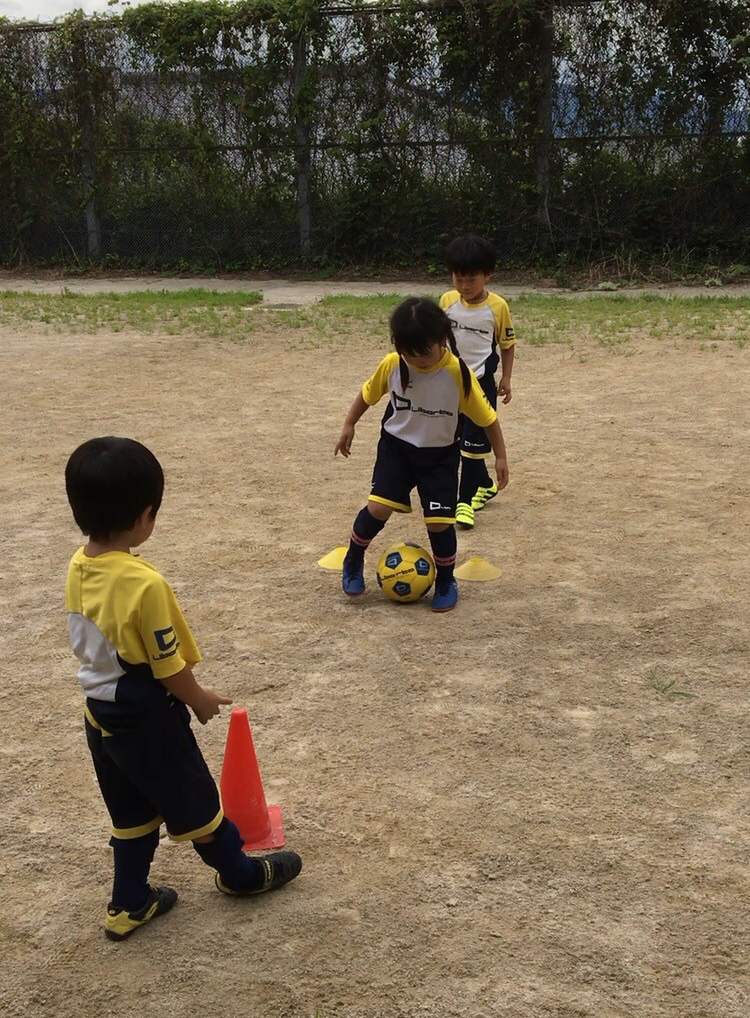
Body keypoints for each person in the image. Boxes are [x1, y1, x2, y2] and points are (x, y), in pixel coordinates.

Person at [64, 436, 302, 941]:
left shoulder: (78, 565)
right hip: (146, 717)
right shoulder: (144, 584)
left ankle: (128, 904)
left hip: (99, 714)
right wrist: (199, 699)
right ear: (145, 515)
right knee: (197, 803)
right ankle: (240, 874)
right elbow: (165, 663)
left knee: (130, 814)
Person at [334, 297, 509, 612]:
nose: (418, 361)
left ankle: (445, 580)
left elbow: (488, 419)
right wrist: (349, 424)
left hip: (439, 456)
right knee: (378, 508)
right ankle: (353, 558)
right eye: (409, 354)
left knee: (440, 523)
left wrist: (500, 458)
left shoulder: (458, 373)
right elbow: (367, 394)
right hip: (397, 449)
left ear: (442, 339)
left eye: (425, 353)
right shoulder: (392, 364)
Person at [440, 234, 516, 529]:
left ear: (488, 275)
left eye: (471, 280)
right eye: (458, 279)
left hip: (481, 384)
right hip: (450, 384)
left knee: (473, 445)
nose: (464, 287)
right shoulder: (447, 301)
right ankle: (483, 483)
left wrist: (506, 378)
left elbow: (507, 345)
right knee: (455, 440)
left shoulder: (497, 308)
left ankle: (463, 502)